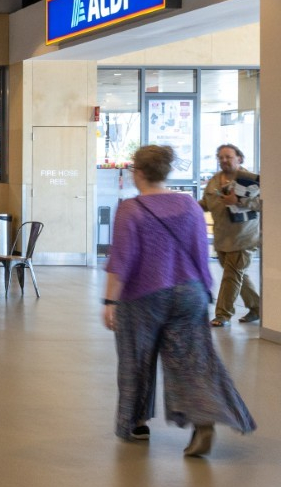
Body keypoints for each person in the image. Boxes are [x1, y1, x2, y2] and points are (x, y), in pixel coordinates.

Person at [104, 145, 255, 455]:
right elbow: (201, 252)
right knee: (192, 361)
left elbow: (122, 260)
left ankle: (136, 423)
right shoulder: (188, 204)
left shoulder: (131, 209)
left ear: (138, 173)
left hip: (144, 296)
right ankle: (203, 421)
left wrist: (110, 302)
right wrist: (205, 290)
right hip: (190, 291)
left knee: (136, 358)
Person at [201, 144, 262, 326]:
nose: (224, 160)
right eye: (221, 157)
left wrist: (240, 201)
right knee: (237, 276)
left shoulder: (250, 180)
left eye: (228, 157)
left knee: (231, 276)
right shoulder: (214, 180)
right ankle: (258, 307)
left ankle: (222, 315)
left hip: (244, 237)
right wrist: (187, 207)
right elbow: (206, 203)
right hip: (222, 238)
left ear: (239, 158)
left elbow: (263, 204)